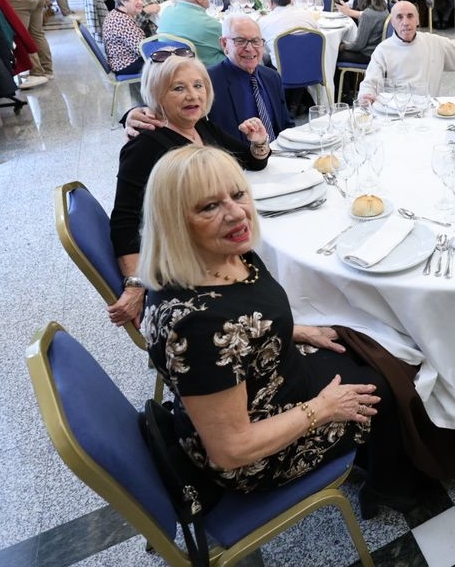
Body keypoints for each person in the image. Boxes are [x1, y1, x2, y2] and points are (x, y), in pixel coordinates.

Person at [137, 145, 424, 510]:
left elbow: (242, 328)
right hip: (257, 457)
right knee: (383, 383)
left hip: (269, 378)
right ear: (174, 222)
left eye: (237, 194)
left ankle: (378, 460)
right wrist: (322, 409)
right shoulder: (196, 327)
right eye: (209, 206)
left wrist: (297, 331)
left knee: (369, 344)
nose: (237, 213)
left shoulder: (221, 252)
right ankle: (389, 488)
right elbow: (231, 451)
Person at [108, 45, 271, 328]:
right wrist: (136, 285)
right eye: (178, 88)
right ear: (157, 95)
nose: (193, 95)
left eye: (198, 85)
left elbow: (249, 161)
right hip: (188, 256)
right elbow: (124, 221)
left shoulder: (202, 128)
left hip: (218, 237)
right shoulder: (145, 144)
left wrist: (258, 143)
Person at [126, 15, 293, 148]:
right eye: (240, 41)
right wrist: (134, 113)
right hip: (233, 167)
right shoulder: (205, 80)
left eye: (256, 41)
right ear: (224, 44)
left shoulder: (271, 77)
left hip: (274, 159)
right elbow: (159, 101)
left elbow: (286, 124)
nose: (250, 48)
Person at [358, 1, 455, 99]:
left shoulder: (433, 43)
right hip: (396, 116)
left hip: (428, 116)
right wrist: (366, 94)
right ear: (393, 22)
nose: (405, 22)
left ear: (418, 20)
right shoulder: (383, 50)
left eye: (410, 16)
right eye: (399, 17)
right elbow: (370, 82)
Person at [157, 0, 225, 66]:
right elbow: (230, 50)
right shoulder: (211, 25)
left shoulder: (166, 12)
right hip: (205, 72)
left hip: (170, 68)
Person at [258, 0, 319, 66]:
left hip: (282, 72)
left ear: (270, 2)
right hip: (313, 68)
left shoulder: (264, 22)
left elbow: (262, 51)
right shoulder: (307, 15)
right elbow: (318, 37)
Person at [339, 0, 388, 65]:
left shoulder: (367, 15)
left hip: (367, 55)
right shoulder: (384, 10)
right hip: (378, 52)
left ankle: (344, 78)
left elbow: (358, 45)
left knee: (334, 53)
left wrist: (343, 46)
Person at [101, 0, 148, 75]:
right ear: (123, 0)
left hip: (120, 61)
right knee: (166, 63)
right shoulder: (122, 20)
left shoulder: (116, 13)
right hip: (126, 65)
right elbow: (142, 49)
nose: (141, 2)